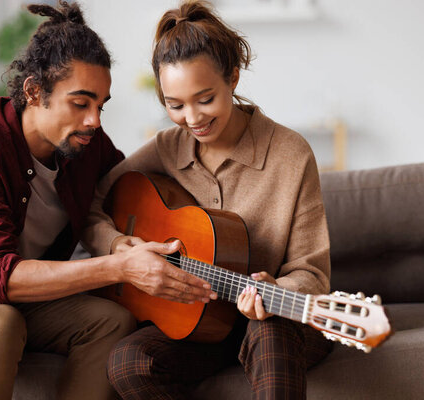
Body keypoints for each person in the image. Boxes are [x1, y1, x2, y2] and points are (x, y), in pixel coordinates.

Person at [0, 2, 217, 400]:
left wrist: (130, 241)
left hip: (25, 302)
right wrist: (119, 266)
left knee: (112, 321)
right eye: (80, 103)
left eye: (100, 105)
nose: (94, 120)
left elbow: (127, 192)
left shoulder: (86, 144)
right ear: (34, 91)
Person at [82, 1, 333, 398]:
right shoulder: (166, 147)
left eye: (205, 99)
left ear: (232, 78)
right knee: (129, 363)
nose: (193, 118)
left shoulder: (291, 153)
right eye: (175, 105)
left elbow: (312, 274)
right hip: (200, 328)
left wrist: (278, 289)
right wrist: (115, 245)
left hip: (278, 323)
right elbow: (93, 203)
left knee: (269, 334)